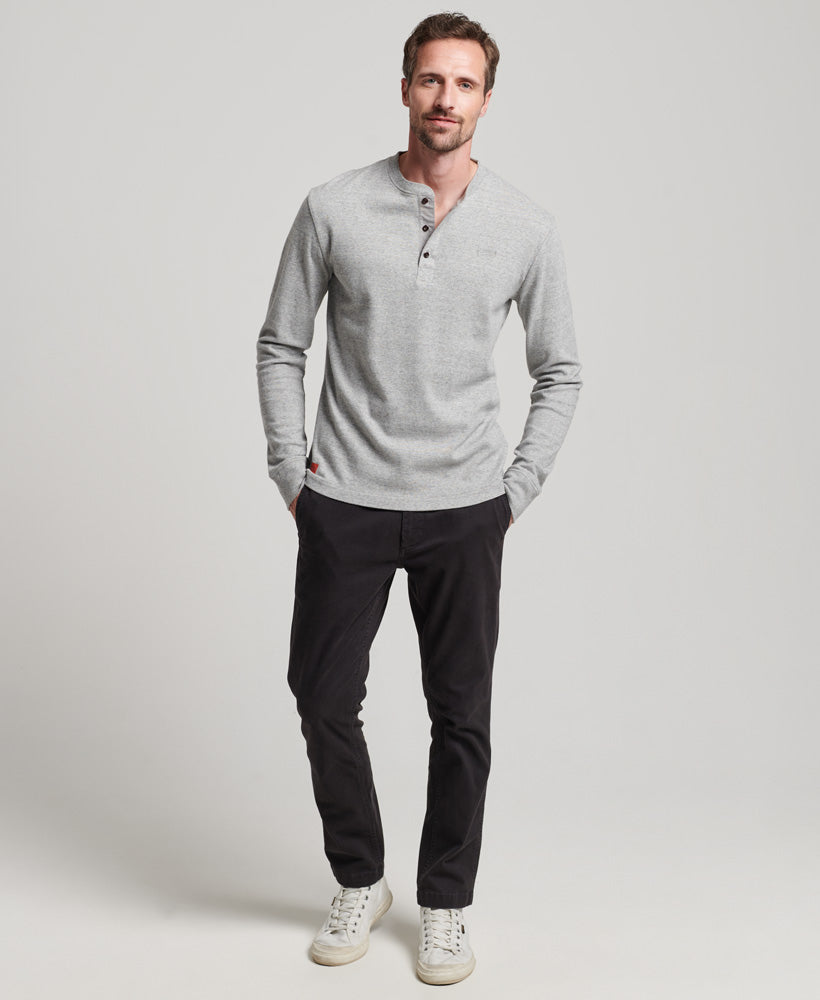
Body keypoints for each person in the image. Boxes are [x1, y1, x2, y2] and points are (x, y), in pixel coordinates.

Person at [256, 11, 582, 986]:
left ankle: (445, 903)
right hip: (345, 498)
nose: (446, 99)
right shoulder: (332, 208)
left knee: (461, 714)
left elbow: (560, 368)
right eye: (431, 80)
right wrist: (291, 469)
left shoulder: (526, 226)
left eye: (465, 83)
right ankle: (360, 877)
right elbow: (280, 343)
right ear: (405, 88)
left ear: (486, 99)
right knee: (321, 695)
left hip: (465, 506)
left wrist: (515, 487)